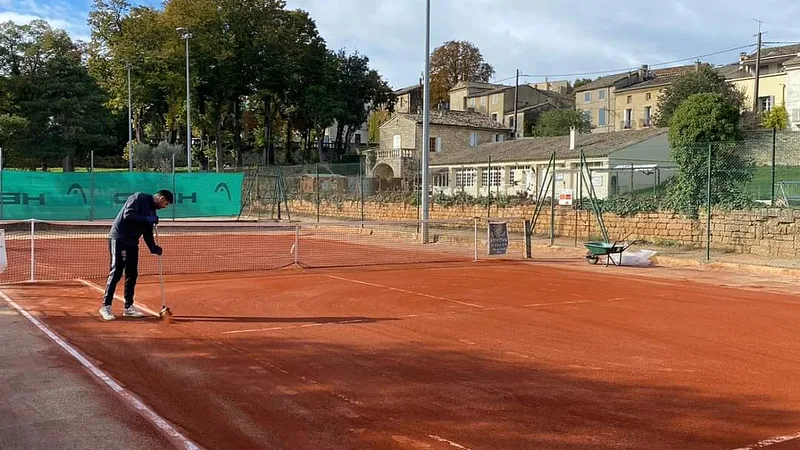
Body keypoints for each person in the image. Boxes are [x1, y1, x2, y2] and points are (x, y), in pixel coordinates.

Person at [99, 189, 173, 321]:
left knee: (132, 274)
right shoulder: (139, 198)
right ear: (161, 198)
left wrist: (153, 247)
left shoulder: (152, 211)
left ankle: (128, 307)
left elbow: (147, 233)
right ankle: (106, 306)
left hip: (133, 242)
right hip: (119, 238)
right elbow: (128, 215)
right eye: (165, 204)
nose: (164, 207)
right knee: (116, 272)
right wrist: (148, 219)